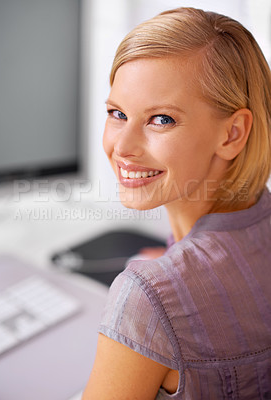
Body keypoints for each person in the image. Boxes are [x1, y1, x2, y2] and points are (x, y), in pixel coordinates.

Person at [83, 7, 271, 399]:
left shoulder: (146, 295)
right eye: (118, 113)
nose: (123, 147)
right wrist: (175, 263)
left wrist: (159, 289)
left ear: (233, 133)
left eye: (161, 119)